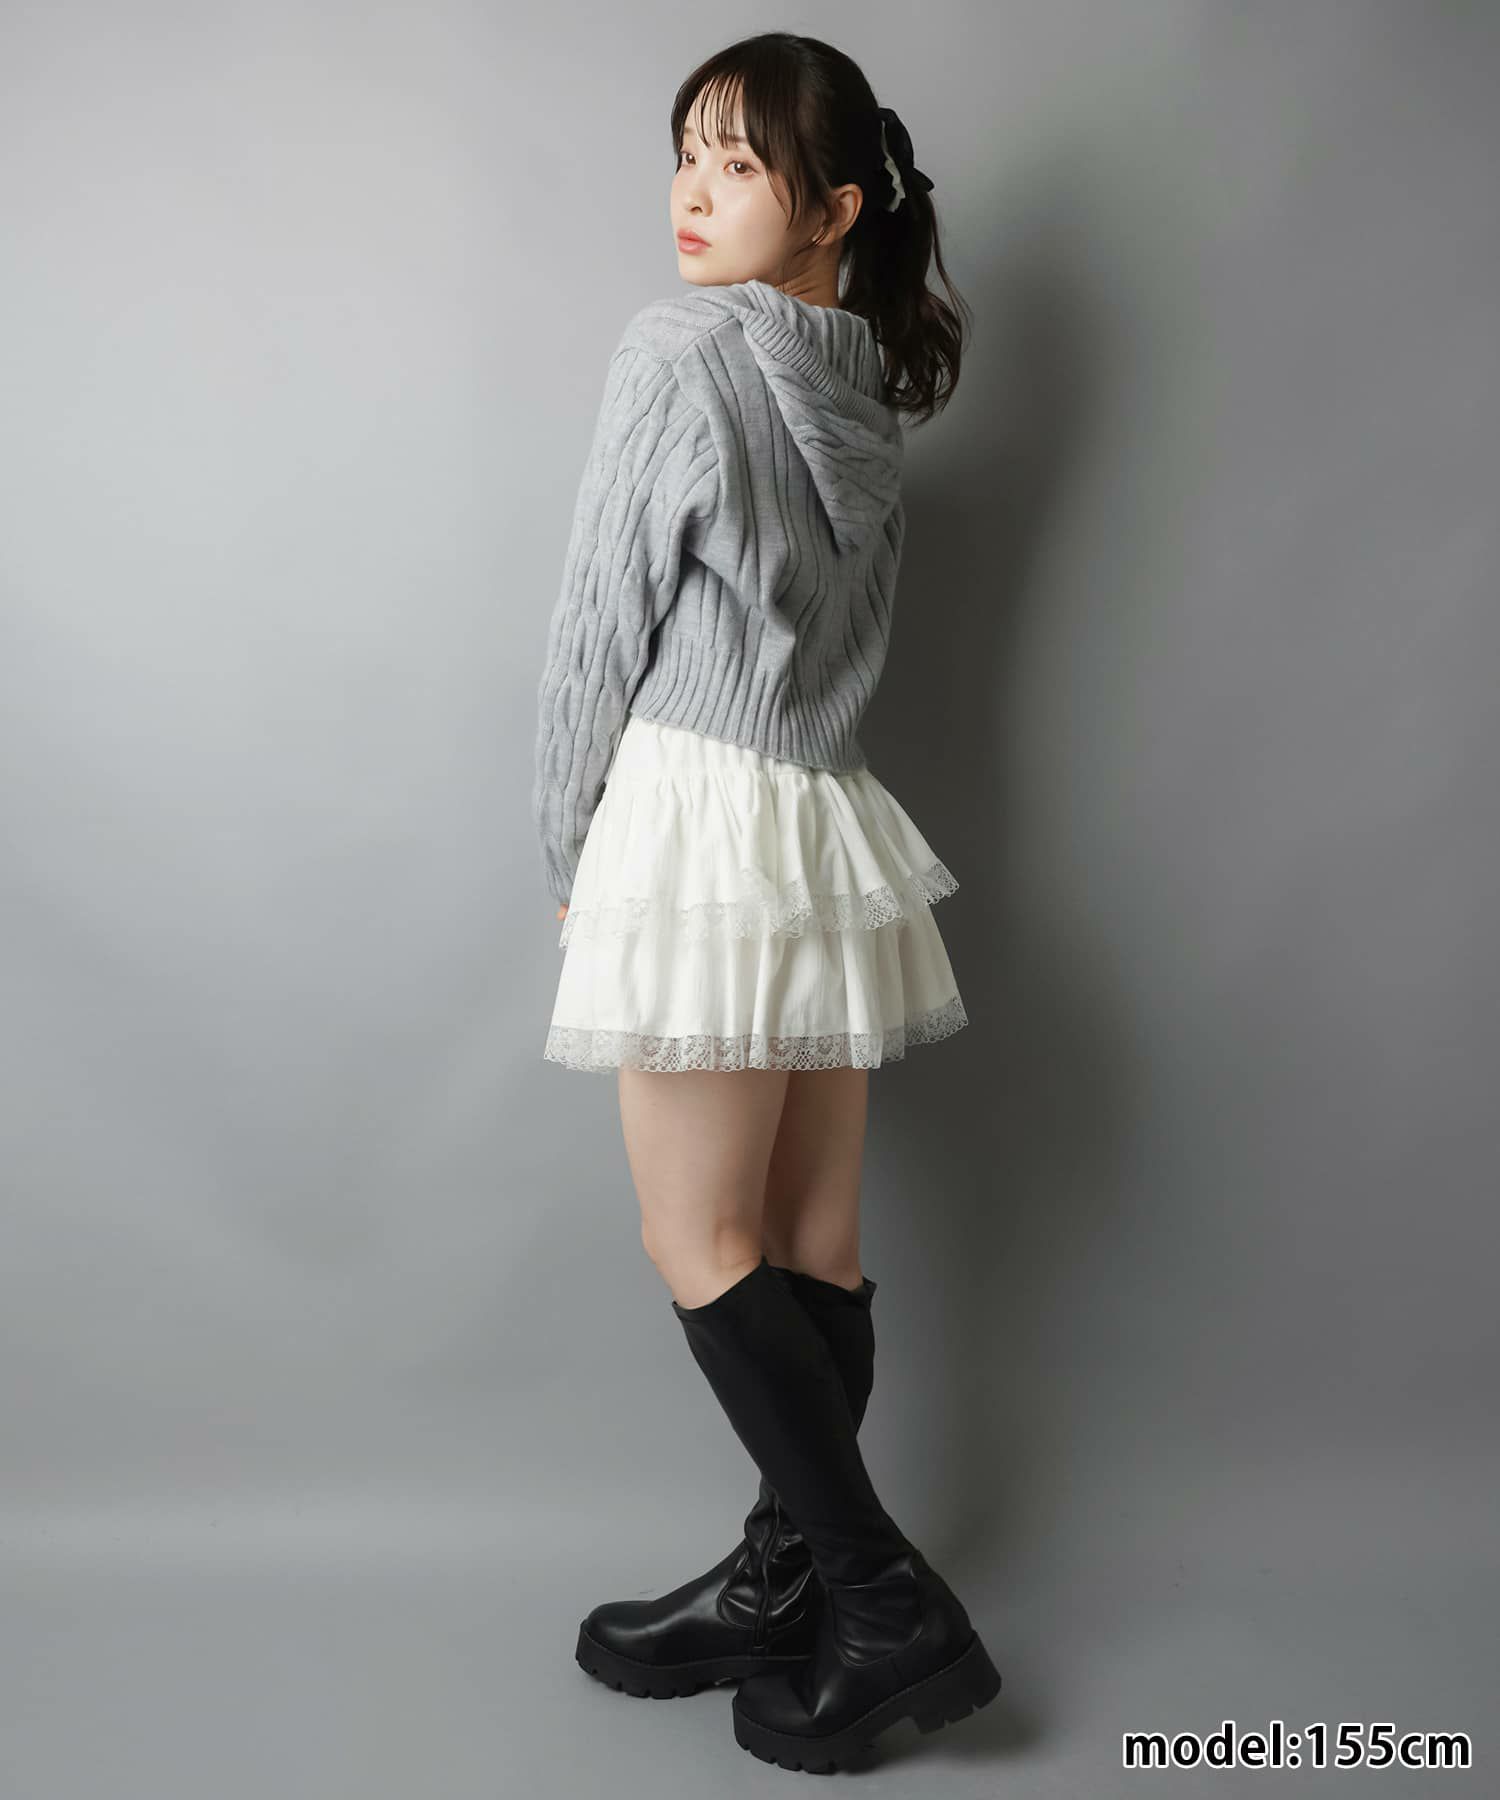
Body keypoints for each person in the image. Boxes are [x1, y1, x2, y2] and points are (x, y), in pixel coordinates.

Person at [530, 31, 999, 1773]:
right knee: (814, 1247)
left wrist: (570, 850)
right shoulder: (865, 388)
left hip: (697, 817)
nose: (693, 191)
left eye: (738, 162)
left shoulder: (680, 351)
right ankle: (780, 1585)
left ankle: (881, 1603)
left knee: (702, 1243)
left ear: (834, 207)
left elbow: (600, 625)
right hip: (823, 825)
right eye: (688, 153)